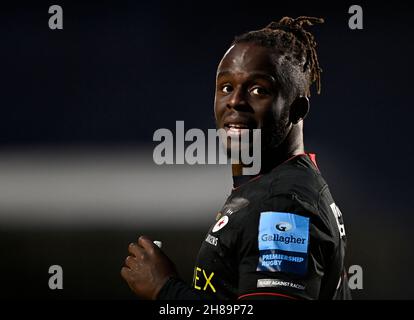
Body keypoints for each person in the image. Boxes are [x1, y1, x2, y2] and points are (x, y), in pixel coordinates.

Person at [121, 16, 351, 300]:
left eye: (258, 90)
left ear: (297, 109)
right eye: (226, 87)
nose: (235, 101)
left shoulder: (283, 205)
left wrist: (165, 290)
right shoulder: (268, 185)